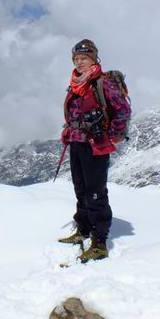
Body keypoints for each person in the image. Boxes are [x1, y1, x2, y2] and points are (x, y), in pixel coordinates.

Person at [58, 39, 131, 263]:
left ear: (94, 59)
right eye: (77, 59)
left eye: (84, 58)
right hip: (77, 142)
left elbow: (123, 111)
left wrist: (110, 135)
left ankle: (99, 240)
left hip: (96, 145)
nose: (79, 62)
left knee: (95, 191)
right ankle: (83, 228)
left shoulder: (103, 82)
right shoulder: (76, 82)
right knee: (80, 188)